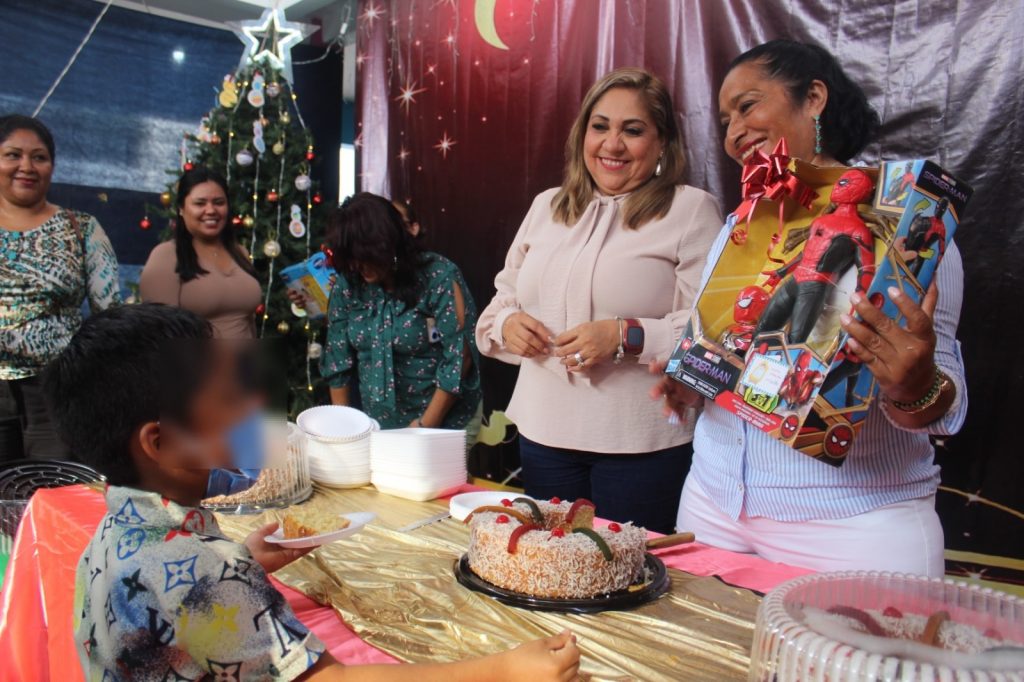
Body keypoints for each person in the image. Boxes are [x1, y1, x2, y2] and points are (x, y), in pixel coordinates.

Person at [44, 303, 581, 681]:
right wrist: (502, 670)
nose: (254, 408)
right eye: (229, 399)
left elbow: (177, 621)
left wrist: (242, 560)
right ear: (160, 442)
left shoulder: (114, 533)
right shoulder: (207, 572)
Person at [652, 39, 966, 577]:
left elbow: (938, 404)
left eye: (748, 106)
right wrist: (697, 381)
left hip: (853, 527)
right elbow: (734, 354)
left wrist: (914, 386)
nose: (734, 133)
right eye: (725, 122)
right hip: (712, 503)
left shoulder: (904, 227)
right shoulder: (739, 227)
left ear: (814, 97)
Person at [476, 68, 722, 534]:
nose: (612, 144)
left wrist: (626, 336)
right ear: (581, 135)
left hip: (643, 446)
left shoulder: (691, 209)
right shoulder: (547, 206)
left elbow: (712, 332)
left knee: (629, 572)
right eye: (600, 126)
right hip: (542, 435)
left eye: (633, 130)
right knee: (553, 566)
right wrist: (507, 324)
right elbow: (499, 303)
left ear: (662, 143)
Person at [0, 114, 120, 461]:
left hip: (57, 394)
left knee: (57, 486)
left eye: (39, 157)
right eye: (13, 155)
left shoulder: (82, 228)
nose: (26, 166)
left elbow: (110, 316)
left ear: (51, 166)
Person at [318, 193, 482, 431]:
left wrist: (425, 426)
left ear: (386, 243)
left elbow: (460, 356)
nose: (356, 265)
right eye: (350, 258)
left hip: (444, 422)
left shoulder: (438, 275)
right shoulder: (349, 283)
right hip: (378, 424)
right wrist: (344, 428)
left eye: (363, 256)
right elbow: (337, 361)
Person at [139, 167, 260, 338]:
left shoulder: (241, 252)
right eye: (200, 203)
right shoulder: (165, 256)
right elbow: (160, 334)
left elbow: (249, 322)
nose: (211, 210)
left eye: (219, 202)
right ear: (181, 209)